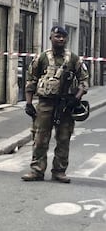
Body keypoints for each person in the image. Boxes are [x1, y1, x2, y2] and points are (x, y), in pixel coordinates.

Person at [21, 26, 89, 183]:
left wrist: (76, 98)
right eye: (57, 36)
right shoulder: (42, 58)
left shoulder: (73, 59)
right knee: (39, 138)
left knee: (64, 138)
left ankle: (59, 171)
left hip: (66, 104)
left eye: (63, 37)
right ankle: (37, 170)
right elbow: (31, 80)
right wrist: (29, 103)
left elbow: (84, 80)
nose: (61, 39)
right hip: (45, 104)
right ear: (51, 37)